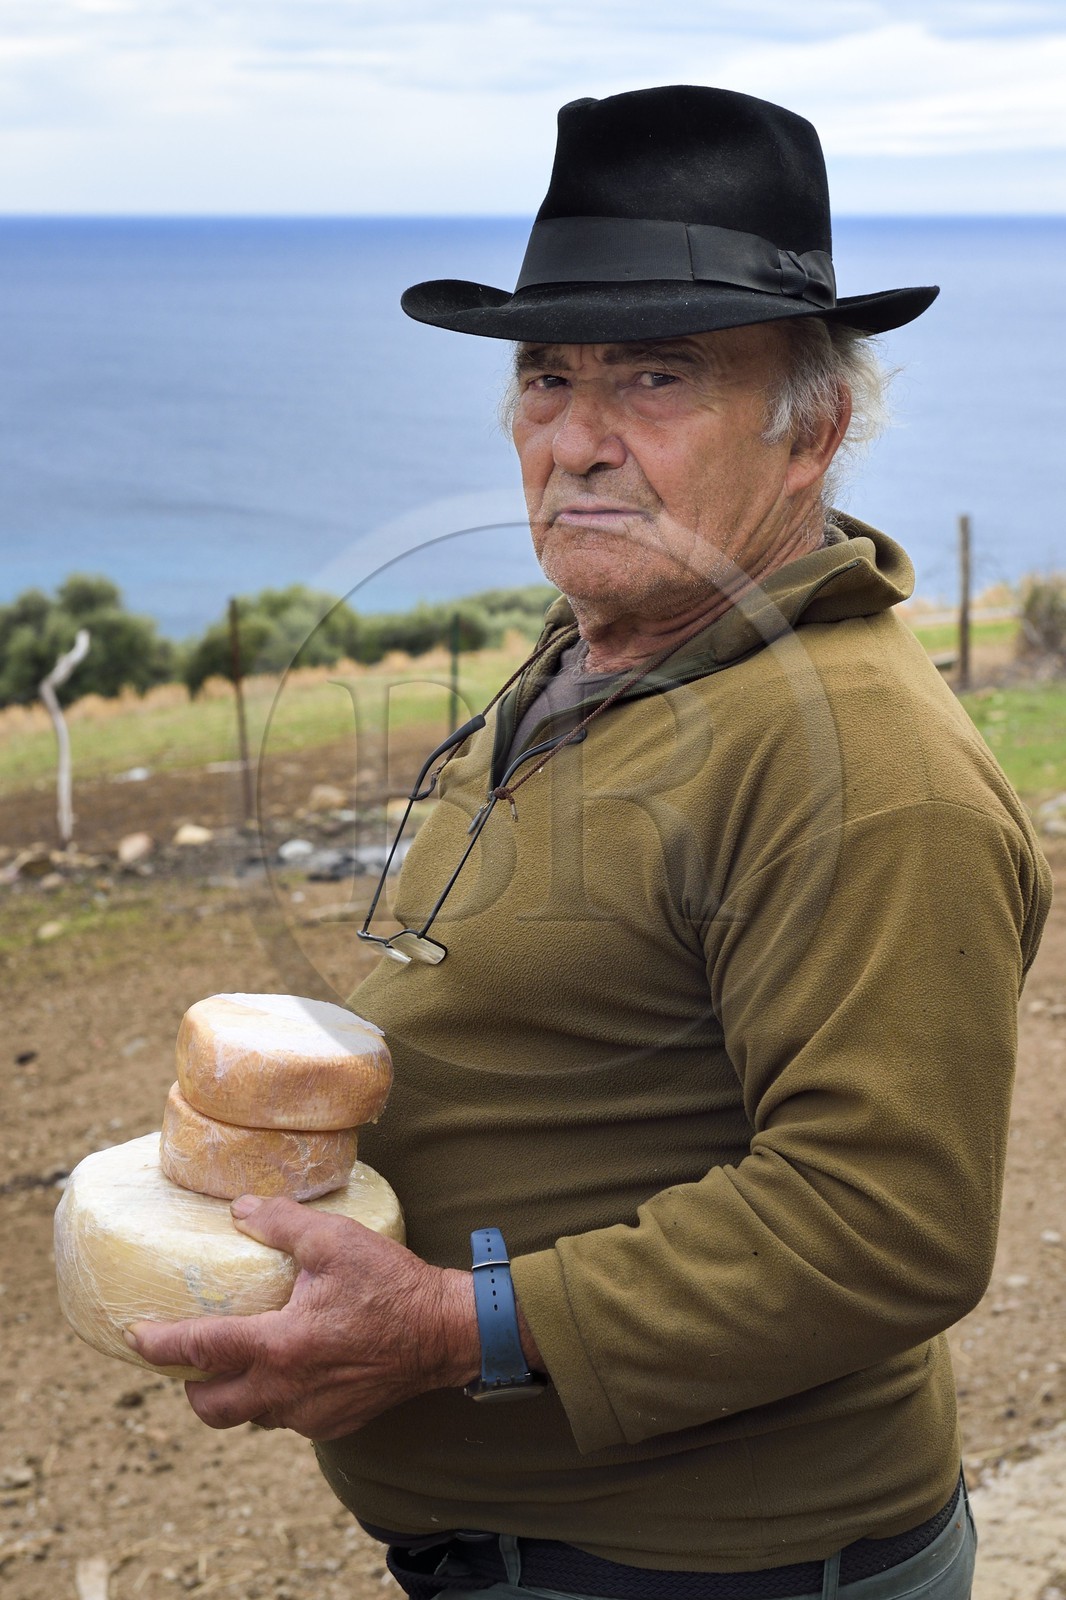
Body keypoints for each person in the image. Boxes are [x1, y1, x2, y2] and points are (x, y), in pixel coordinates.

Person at [131, 86, 1052, 1600]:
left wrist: (447, 1327)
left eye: (656, 378)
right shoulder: (613, 649)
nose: (575, 441)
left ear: (812, 429)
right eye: (546, 378)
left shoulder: (864, 768)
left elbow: (882, 1223)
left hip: (708, 1564)